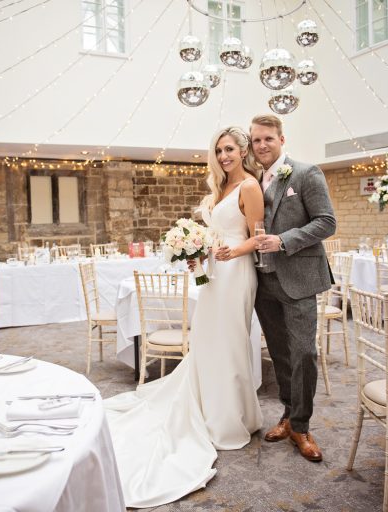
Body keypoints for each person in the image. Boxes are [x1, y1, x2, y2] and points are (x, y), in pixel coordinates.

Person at [103, 126, 265, 508]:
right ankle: (212, 409)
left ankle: (230, 419)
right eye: (218, 150)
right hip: (212, 276)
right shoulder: (219, 189)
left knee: (229, 344)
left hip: (237, 275)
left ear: (242, 151)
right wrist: (197, 253)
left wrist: (232, 252)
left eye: (229, 149)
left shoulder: (249, 188)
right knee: (208, 342)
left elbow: (259, 237)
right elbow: (212, 235)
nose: (224, 156)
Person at [249, 114, 336, 462]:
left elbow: (326, 222)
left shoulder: (305, 173)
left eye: (268, 138)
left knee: (303, 354)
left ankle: (301, 425)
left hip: (298, 279)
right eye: (256, 140)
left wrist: (283, 241)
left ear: (281, 140)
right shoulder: (253, 179)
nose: (261, 145)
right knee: (280, 353)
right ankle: (288, 415)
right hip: (263, 282)